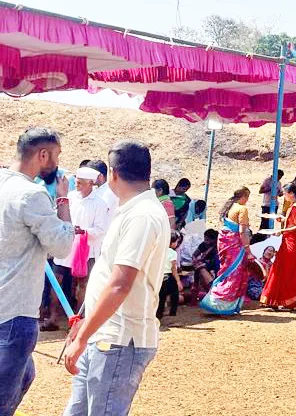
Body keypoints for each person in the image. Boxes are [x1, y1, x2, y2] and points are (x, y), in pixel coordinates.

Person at [62, 140, 171, 415]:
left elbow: (120, 285)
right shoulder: (133, 211)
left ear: (112, 174)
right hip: (106, 334)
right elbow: (109, 276)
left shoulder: (142, 215)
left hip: (120, 338)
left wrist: (83, 336)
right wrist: (84, 327)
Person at [0, 127, 75, 414]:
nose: (58, 163)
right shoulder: (32, 194)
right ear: (43, 155)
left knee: (25, 375)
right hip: (15, 311)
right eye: (56, 155)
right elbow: (62, 246)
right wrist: (63, 201)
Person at [54, 167, 108, 310]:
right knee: (57, 279)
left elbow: (101, 230)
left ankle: (78, 316)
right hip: (66, 244)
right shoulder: (70, 197)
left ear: (90, 183)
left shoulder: (100, 203)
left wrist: (83, 231)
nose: (76, 185)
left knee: (83, 283)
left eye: (80, 183)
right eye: (76, 182)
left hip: (86, 249)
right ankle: (53, 315)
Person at [199, 187, 254, 315]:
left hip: (226, 242)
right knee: (234, 273)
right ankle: (220, 304)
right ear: (244, 196)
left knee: (227, 271)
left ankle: (219, 302)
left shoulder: (231, 206)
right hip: (235, 244)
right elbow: (242, 232)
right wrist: (248, 250)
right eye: (247, 197)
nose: (247, 200)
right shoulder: (242, 209)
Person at [260, 183, 296, 311]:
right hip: (286, 241)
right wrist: (282, 219)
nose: (284, 196)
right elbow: (292, 222)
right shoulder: (292, 206)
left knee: (287, 271)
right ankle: (274, 300)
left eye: (285, 193)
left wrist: (281, 231)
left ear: (291, 194)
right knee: (280, 269)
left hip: (291, 244)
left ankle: (285, 301)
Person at [157, 231, 183, 319]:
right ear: (172, 242)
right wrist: (178, 281)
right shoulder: (172, 253)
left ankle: (159, 314)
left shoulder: (159, 251)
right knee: (175, 295)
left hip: (160, 276)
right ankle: (172, 312)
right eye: (176, 242)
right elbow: (173, 269)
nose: (177, 244)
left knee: (161, 297)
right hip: (169, 276)